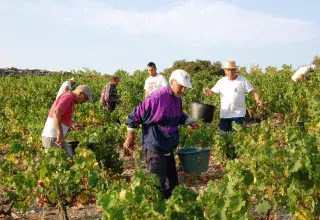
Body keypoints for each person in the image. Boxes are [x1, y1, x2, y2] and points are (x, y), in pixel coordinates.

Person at [124, 69, 200, 198]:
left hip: (168, 145)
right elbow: (134, 116)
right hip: (155, 144)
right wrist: (130, 139)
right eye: (181, 86)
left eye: (185, 87)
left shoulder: (177, 98)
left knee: (173, 185)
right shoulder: (156, 98)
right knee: (158, 185)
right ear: (171, 81)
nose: (183, 90)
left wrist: (189, 121)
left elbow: (179, 113)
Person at [203, 60, 263, 134]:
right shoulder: (221, 81)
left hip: (238, 115)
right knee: (222, 137)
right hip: (224, 115)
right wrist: (207, 91)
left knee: (236, 138)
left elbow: (254, 92)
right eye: (228, 70)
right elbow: (211, 93)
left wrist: (258, 100)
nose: (230, 72)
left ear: (235, 70)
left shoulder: (242, 81)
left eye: (232, 70)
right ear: (225, 71)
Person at [42, 85, 93, 158]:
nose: (83, 102)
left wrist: (72, 124)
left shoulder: (70, 98)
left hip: (57, 138)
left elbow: (61, 116)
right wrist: (59, 132)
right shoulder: (68, 97)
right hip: (53, 138)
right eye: (85, 99)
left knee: (70, 159)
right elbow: (56, 112)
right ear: (80, 93)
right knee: (62, 164)